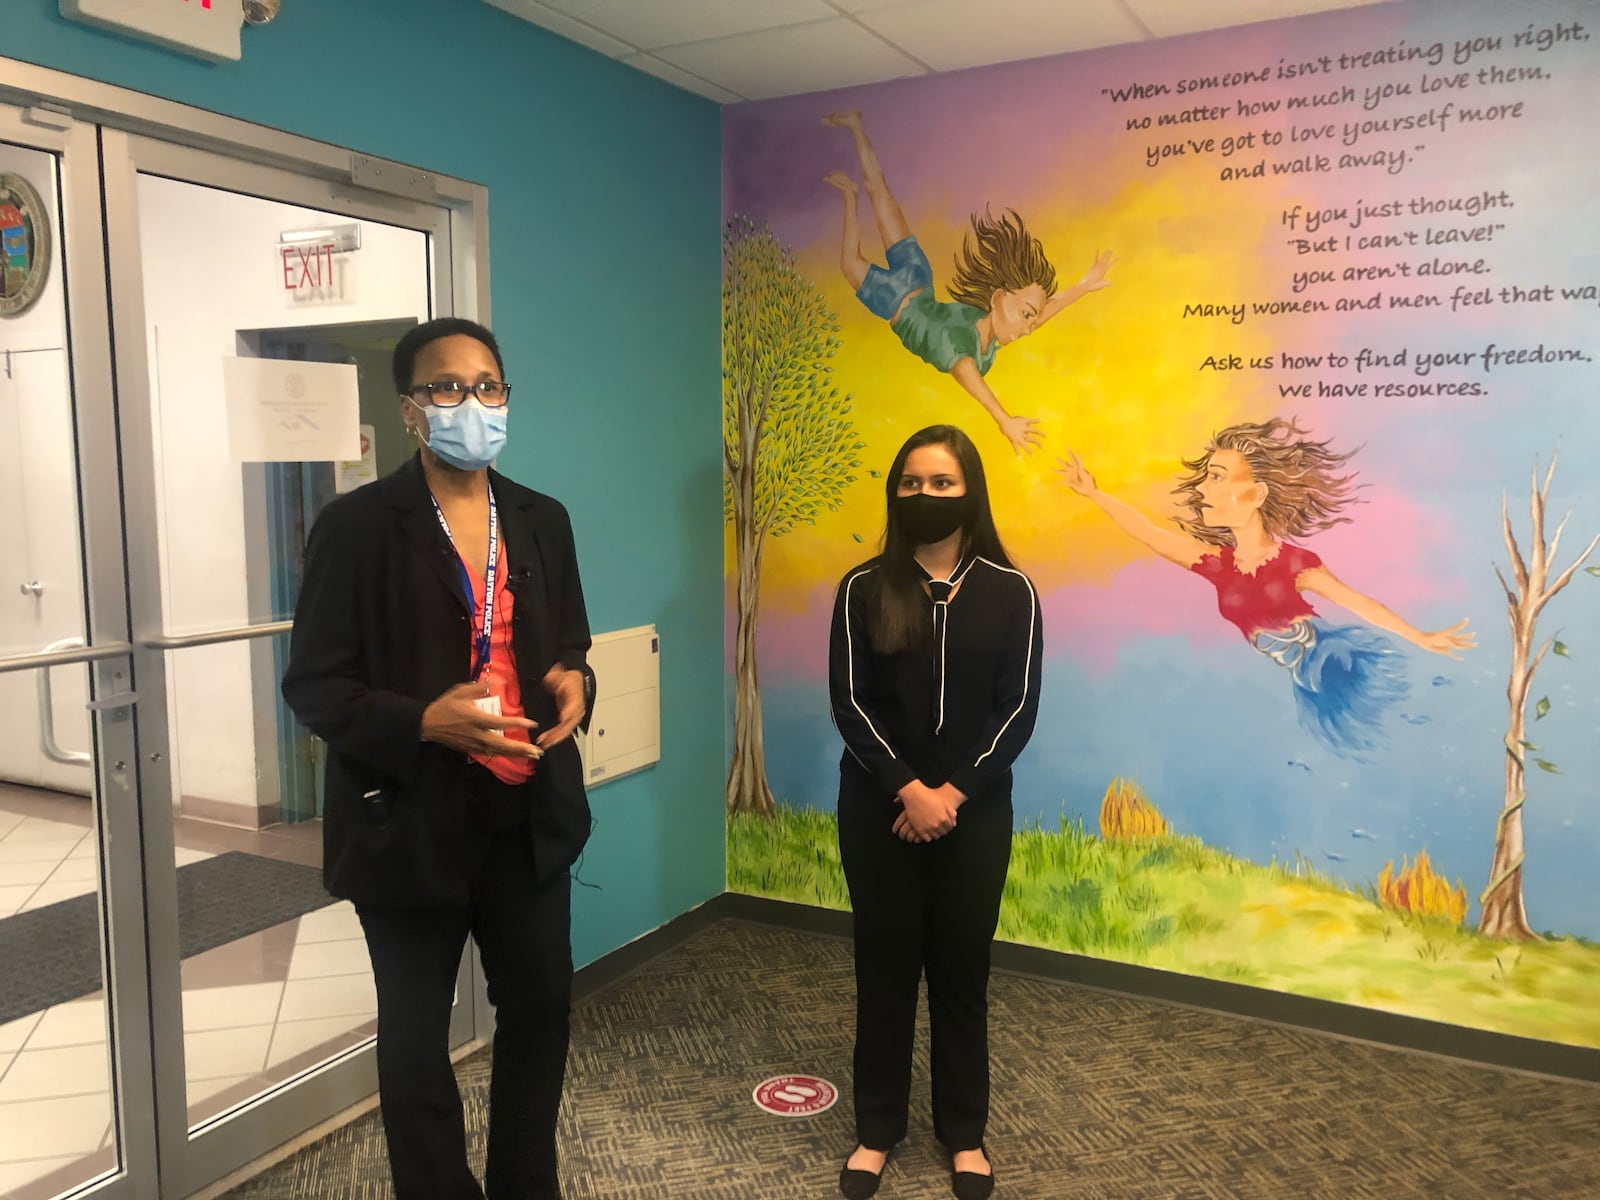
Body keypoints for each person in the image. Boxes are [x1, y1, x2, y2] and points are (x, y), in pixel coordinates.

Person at [281, 317, 595, 1200]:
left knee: (539, 1015)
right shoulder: (357, 527)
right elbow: (313, 685)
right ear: (412, 410)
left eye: (488, 386)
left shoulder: (542, 520)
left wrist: (576, 681)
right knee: (416, 1045)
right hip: (408, 820)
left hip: (525, 818)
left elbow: (568, 644)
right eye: (447, 388)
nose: (472, 404)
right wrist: (425, 722)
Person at [829, 425, 1042, 1200]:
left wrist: (951, 794)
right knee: (883, 971)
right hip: (878, 809)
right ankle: (875, 1131)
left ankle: (965, 1137)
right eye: (911, 483)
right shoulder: (862, 587)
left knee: (961, 972)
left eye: (942, 483)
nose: (924, 496)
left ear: (970, 491)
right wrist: (907, 789)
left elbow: (1016, 711)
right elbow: (850, 704)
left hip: (974, 814)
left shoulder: (1010, 591)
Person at [1056, 416, 1474, 759]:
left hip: (1333, 658)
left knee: (1385, 723)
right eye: (1206, 477)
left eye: (1217, 477)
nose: (1202, 488)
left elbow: (1356, 601)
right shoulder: (1217, 565)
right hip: (1303, 680)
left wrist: (1420, 636)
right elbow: (1149, 533)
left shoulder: (1295, 564)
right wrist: (1094, 494)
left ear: (1256, 493)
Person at [823, 108, 1114, 457]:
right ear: (998, 297)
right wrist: (1003, 420)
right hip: (904, 292)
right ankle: (856, 130)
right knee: (877, 198)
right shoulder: (962, 344)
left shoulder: (987, 339)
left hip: (906, 290)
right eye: (1026, 314)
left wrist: (1083, 286)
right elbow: (964, 373)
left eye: (1030, 318)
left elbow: (1041, 316)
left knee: (860, 236)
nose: (1030, 326)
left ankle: (851, 194)